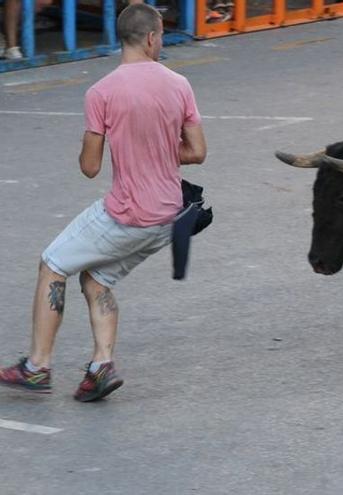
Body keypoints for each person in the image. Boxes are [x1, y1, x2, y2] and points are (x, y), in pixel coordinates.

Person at [0, 3, 206, 402]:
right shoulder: (179, 84)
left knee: (53, 264)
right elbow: (196, 151)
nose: (161, 42)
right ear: (150, 37)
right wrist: (158, 148)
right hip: (167, 217)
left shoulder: (102, 92)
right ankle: (100, 367)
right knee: (97, 278)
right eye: (161, 36)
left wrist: (112, 142)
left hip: (128, 213)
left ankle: (38, 366)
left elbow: (90, 167)